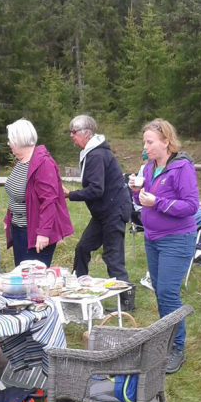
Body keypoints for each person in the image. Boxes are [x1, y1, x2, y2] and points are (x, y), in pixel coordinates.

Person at [129, 118, 199, 374]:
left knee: (168, 292)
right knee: (160, 291)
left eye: (150, 142)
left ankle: (177, 347)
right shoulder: (149, 168)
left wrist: (157, 202)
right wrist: (136, 191)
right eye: (144, 142)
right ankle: (165, 342)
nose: (145, 147)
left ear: (166, 141)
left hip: (176, 239)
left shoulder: (182, 168)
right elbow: (143, 200)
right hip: (152, 238)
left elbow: (191, 206)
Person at [63, 115, 132, 287]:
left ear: (87, 133)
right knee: (83, 248)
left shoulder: (96, 155)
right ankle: (78, 285)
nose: (71, 135)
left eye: (74, 132)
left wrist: (70, 194)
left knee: (113, 257)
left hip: (114, 210)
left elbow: (96, 189)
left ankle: (125, 298)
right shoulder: (91, 151)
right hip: (103, 212)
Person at [4, 119, 73, 266]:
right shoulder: (21, 162)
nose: (8, 144)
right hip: (19, 230)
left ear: (19, 140)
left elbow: (49, 201)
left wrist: (43, 232)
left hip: (34, 233)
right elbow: (18, 195)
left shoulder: (43, 164)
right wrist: (8, 219)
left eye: (10, 140)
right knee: (22, 273)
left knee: (34, 276)